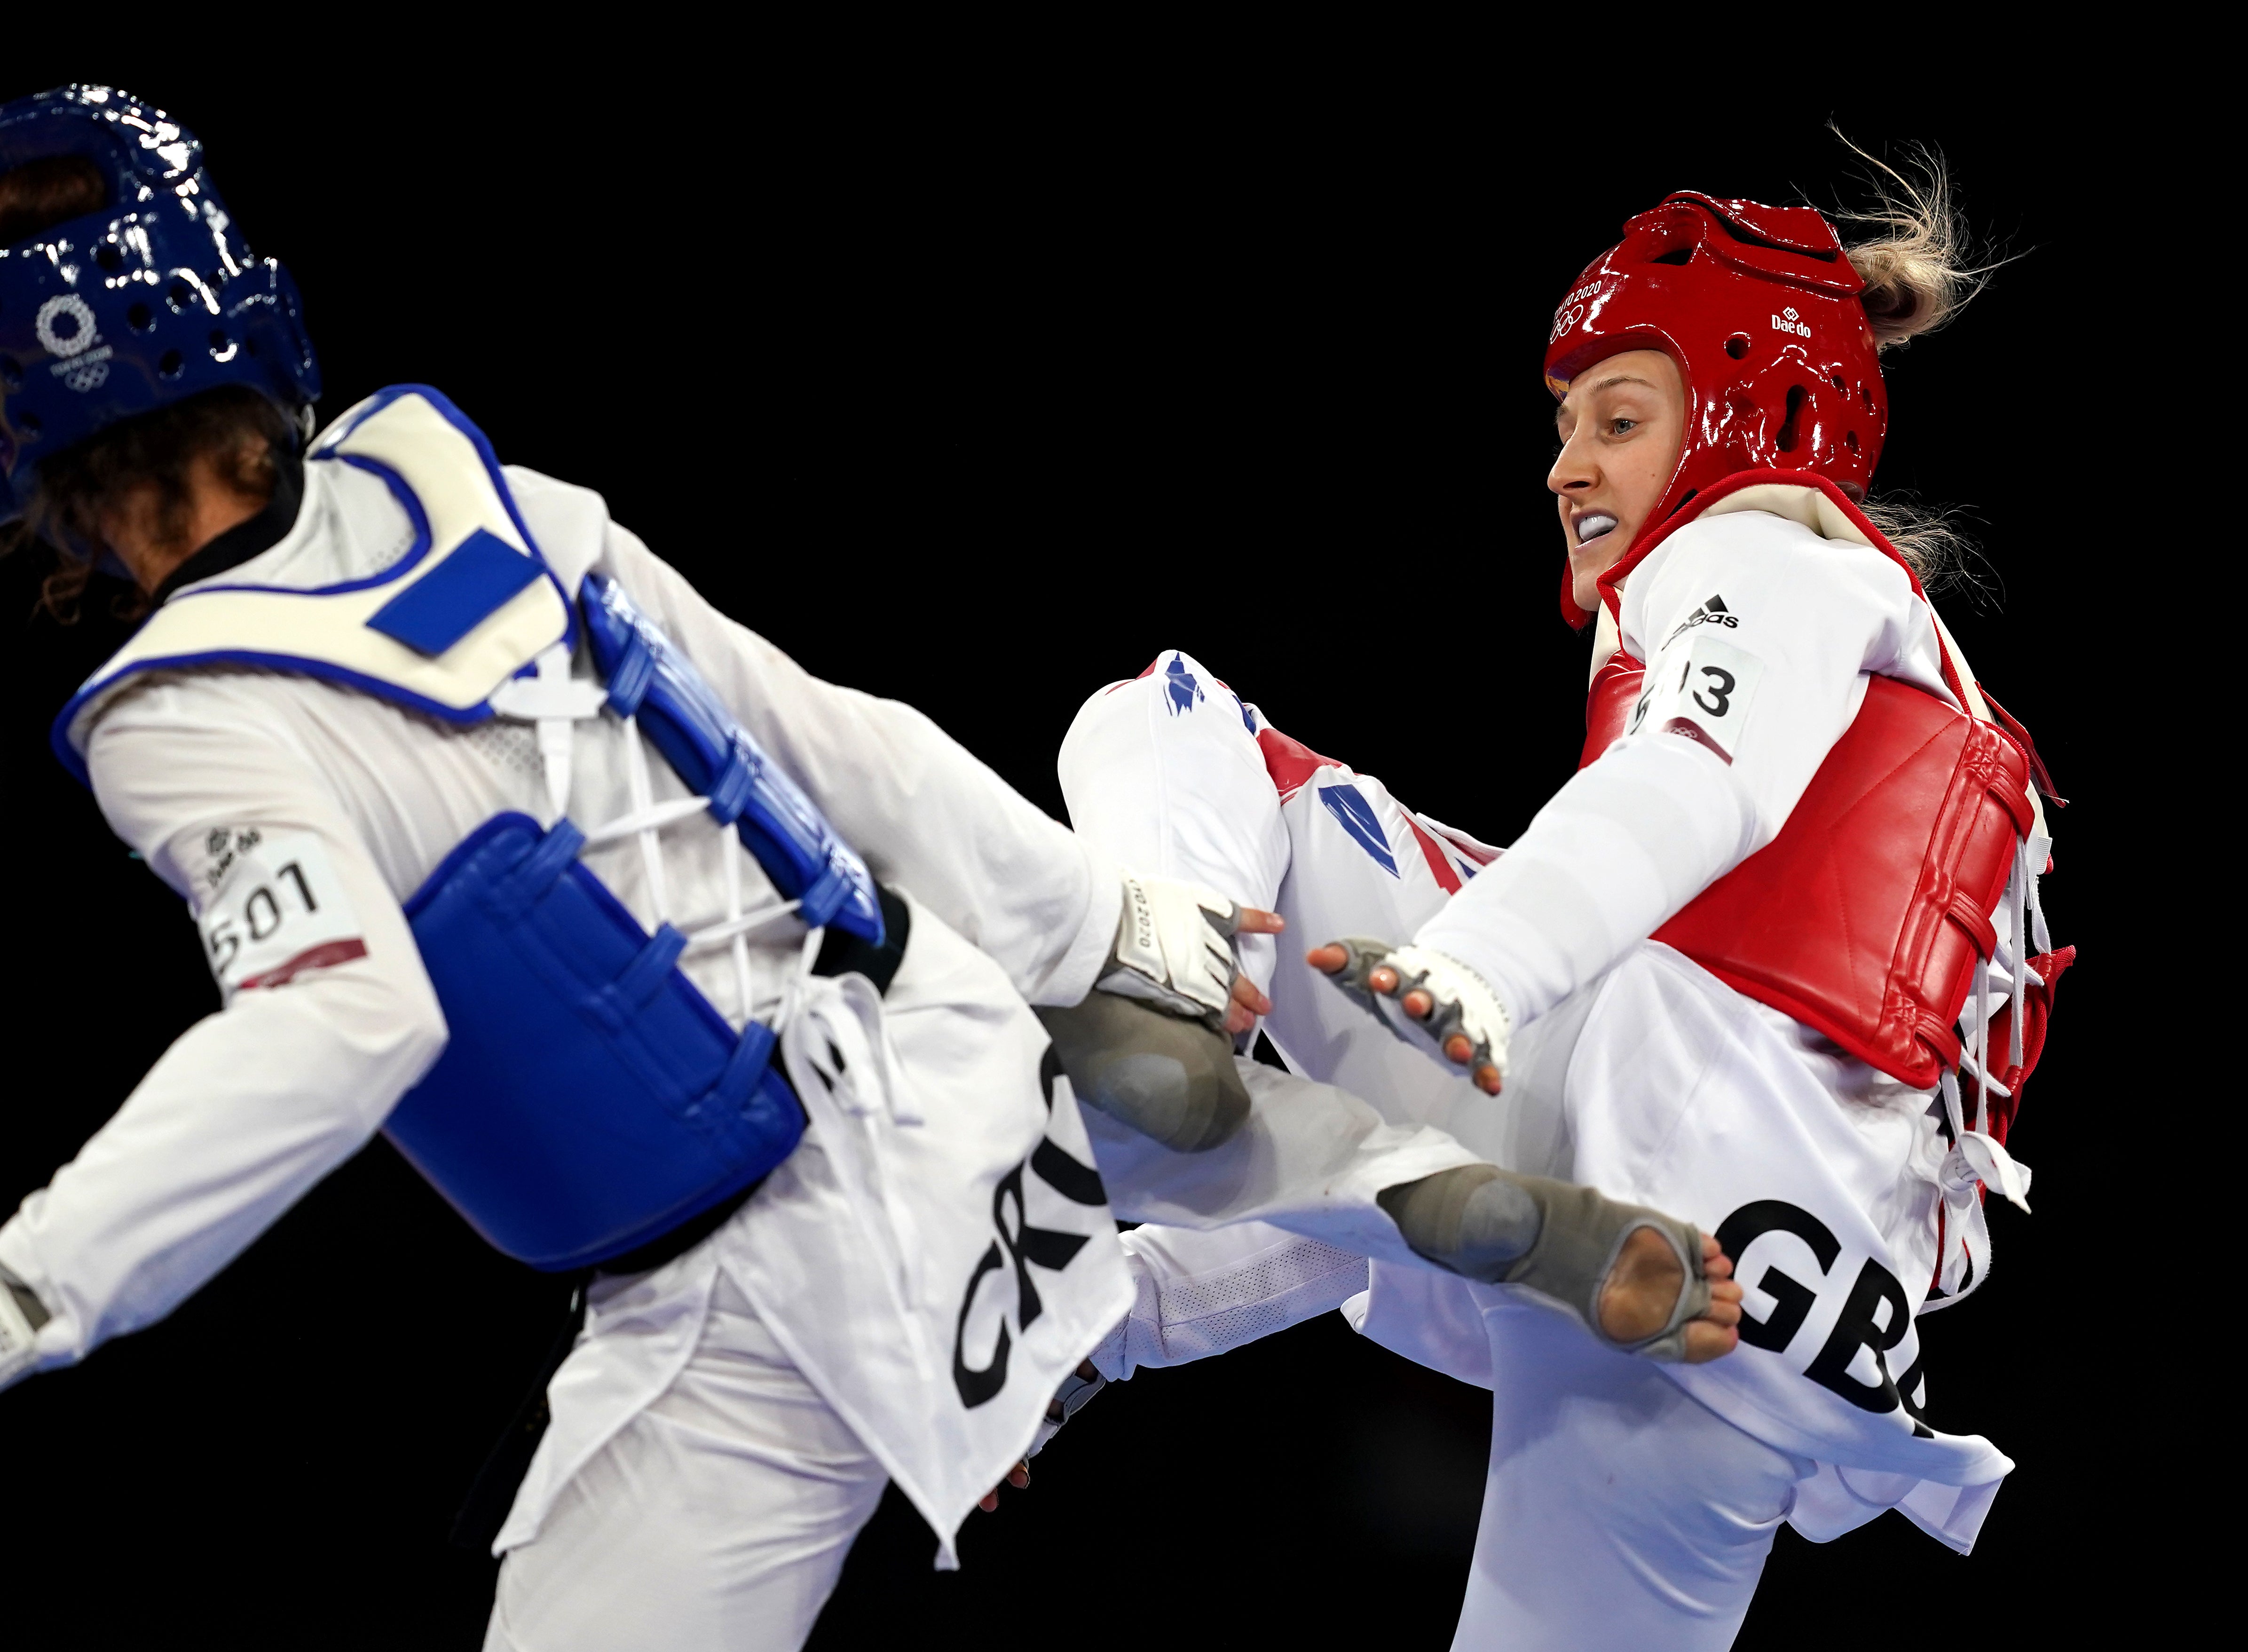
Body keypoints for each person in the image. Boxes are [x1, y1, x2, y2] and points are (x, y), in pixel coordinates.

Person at [0, 87, 1739, 1650]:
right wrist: (1114, 922)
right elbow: (833, 739)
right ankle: (1354, 1171)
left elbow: (335, 1025)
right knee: (1128, 1122)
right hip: (947, 1041)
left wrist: (38, 1279)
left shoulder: (180, 712)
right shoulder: (484, 493)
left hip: (753, 1275)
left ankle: (1185, 1241)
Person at [1055, 163, 2073, 1650]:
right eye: (1563, 425)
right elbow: (1427, 1168)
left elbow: (1697, 777)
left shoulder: (1770, 557)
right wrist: (1133, 1309)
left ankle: (1170, 989)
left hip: (1673, 1168)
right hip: (1765, 1313)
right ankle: (1113, 1269)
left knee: (1174, 716)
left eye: (1617, 419)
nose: (1565, 467)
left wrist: (1477, 963)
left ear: (1737, 429)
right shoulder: (1906, 673)